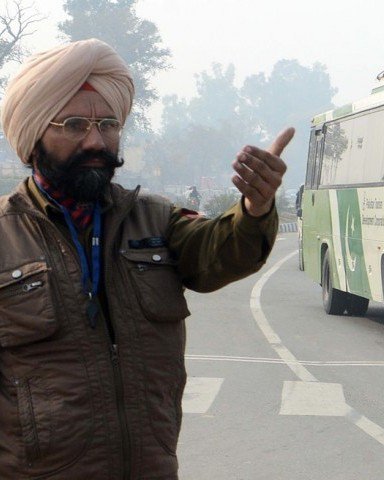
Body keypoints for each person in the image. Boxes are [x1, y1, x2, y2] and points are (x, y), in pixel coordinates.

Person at [0, 38, 293, 479]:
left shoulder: (153, 219)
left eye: (109, 124)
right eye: (75, 124)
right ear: (35, 134)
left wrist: (255, 208)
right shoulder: (5, 235)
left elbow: (220, 250)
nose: (96, 140)